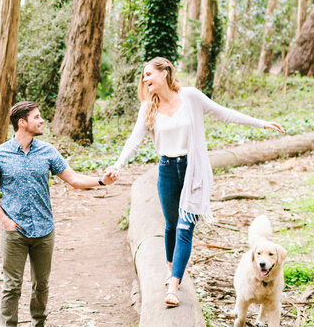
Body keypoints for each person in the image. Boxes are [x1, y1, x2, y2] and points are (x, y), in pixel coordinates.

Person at [104, 57, 284, 307]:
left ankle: (174, 285)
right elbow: (134, 140)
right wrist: (117, 165)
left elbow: (224, 113)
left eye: (148, 74)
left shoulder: (190, 97)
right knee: (171, 225)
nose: (144, 80)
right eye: (143, 76)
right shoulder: (148, 107)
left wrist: (261, 123)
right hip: (167, 170)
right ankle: (171, 270)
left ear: (165, 73)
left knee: (185, 228)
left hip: (193, 170)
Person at [0, 100, 116, 327]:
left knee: (40, 284)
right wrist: (4, 220)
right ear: (22, 122)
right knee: (12, 285)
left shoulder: (47, 151)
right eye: (37, 117)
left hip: (44, 230)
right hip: (15, 231)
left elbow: (74, 180)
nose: (42, 121)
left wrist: (102, 180)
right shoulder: (0, 154)